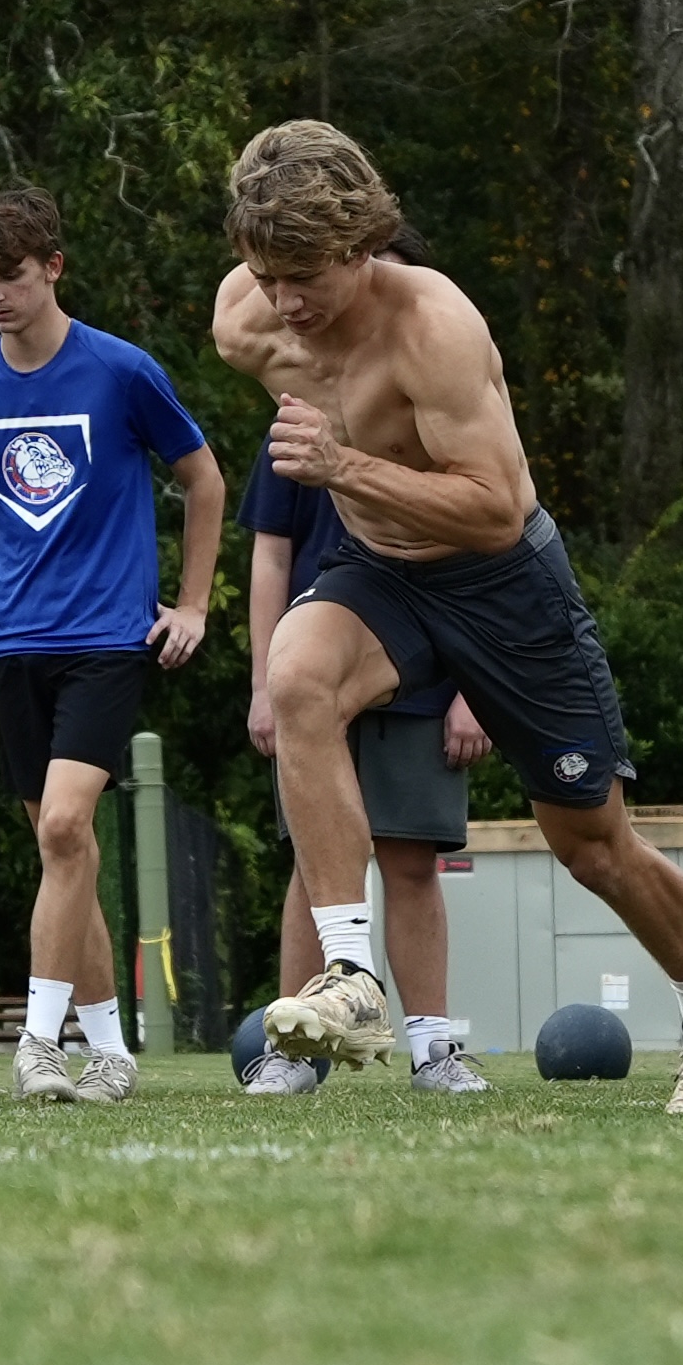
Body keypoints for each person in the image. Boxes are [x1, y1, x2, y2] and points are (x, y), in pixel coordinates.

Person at [212, 120, 683, 1114]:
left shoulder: (433, 328)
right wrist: (348, 483)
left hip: (501, 581)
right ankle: (346, 976)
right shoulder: (246, 319)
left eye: (307, 276)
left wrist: (342, 467)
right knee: (297, 678)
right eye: (266, 271)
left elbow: (492, 509)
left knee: (591, 843)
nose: (285, 303)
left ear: (359, 245)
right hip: (378, 572)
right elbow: (281, 351)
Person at [0, 180, 225, 1104]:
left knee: (65, 824)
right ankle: (113, 1053)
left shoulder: (121, 371)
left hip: (109, 639)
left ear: (54, 267)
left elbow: (203, 479)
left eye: (11, 275)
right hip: (13, 645)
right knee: (62, 856)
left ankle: (38, 1043)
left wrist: (192, 605)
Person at [240, 222, 495, 1097]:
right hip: (320, 650)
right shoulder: (295, 399)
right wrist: (264, 684)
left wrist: (473, 689)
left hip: (428, 646)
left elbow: (488, 537)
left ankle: (432, 1048)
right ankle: (298, 1047)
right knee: (316, 862)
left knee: (413, 854)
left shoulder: (446, 383)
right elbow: (270, 555)